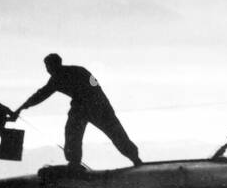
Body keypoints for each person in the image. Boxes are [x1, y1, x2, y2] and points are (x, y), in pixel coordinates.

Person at [12, 54, 142, 169]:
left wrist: (21, 108)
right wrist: (21, 108)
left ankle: (134, 158)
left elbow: (94, 86)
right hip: (86, 106)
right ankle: (74, 163)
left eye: (49, 66)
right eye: (47, 67)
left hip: (96, 105)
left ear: (56, 65)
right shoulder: (64, 76)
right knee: (74, 132)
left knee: (113, 133)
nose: (48, 70)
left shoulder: (69, 74)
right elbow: (40, 94)